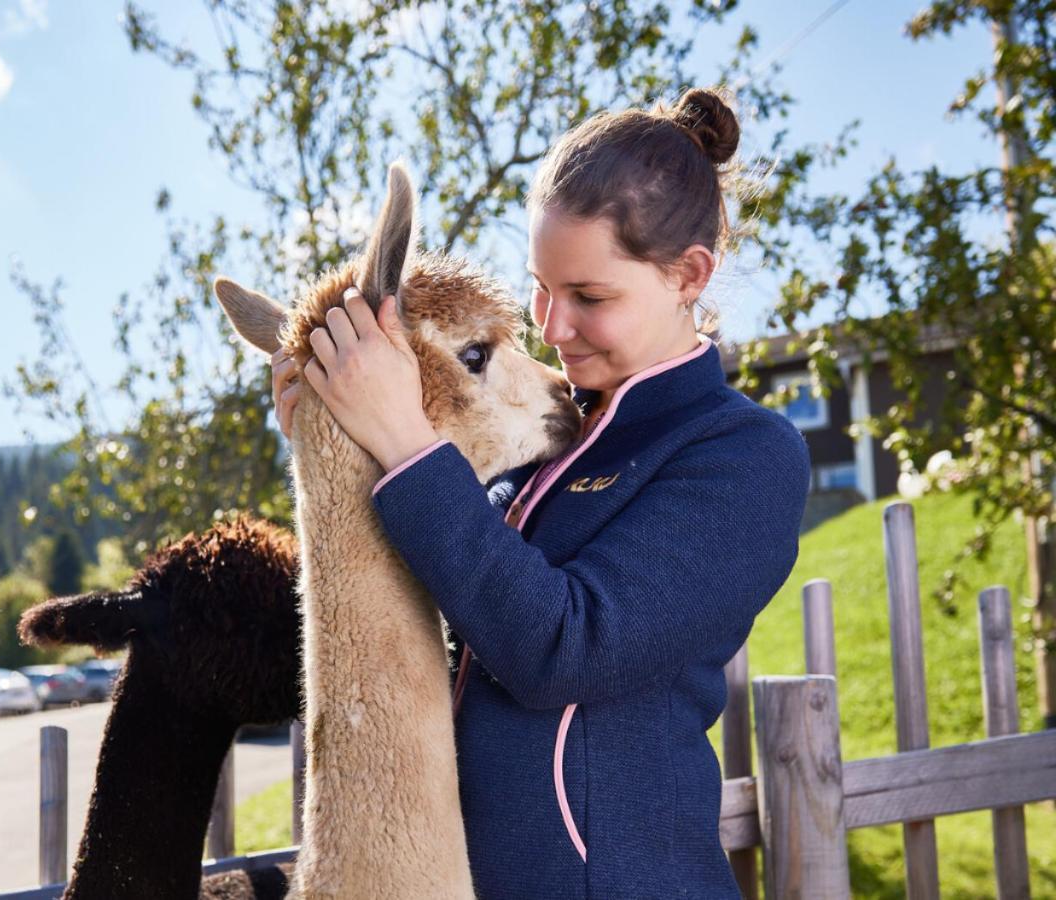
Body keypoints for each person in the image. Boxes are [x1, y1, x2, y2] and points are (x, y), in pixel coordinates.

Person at [270, 88, 810, 899]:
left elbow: (564, 649)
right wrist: (338, 431)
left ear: (688, 275)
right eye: (541, 288)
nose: (552, 328)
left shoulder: (742, 456)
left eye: (590, 298)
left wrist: (406, 443)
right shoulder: (534, 448)